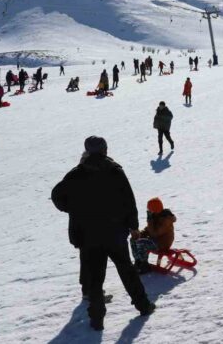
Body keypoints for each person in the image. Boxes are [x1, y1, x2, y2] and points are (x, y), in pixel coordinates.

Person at [51, 137, 155, 331]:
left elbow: (57, 196)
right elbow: (128, 200)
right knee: (127, 271)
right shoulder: (115, 171)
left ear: (87, 151)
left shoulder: (76, 174)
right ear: (105, 150)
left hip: (88, 235)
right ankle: (143, 306)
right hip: (114, 233)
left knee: (95, 278)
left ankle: (97, 319)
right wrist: (133, 226)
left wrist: (73, 208)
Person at [130, 198, 177, 274]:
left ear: (154, 208)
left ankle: (144, 265)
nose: (148, 210)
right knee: (133, 240)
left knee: (141, 242)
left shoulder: (166, 219)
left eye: (150, 208)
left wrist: (149, 220)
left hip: (162, 244)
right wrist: (139, 234)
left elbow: (154, 234)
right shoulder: (156, 215)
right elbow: (148, 229)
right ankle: (138, 262)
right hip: (155, 241)